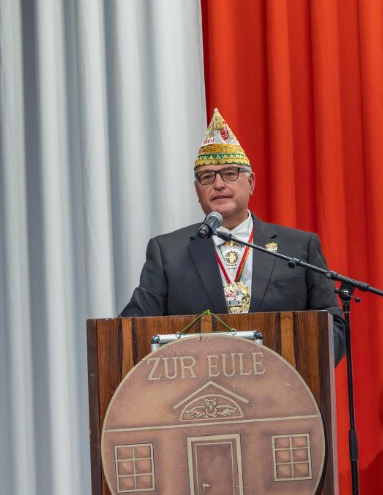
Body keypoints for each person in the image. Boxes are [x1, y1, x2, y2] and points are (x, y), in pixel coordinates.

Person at [120, 109, 346, 364]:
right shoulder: (168, 252)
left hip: (282, 385)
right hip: (199, 386)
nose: (218, 184)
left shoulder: (298, 247)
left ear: (251, 183)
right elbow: (130, 331)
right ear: (197, 190)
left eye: (229, 173)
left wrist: (298, 370)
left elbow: (333, 328)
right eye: (207, 177)